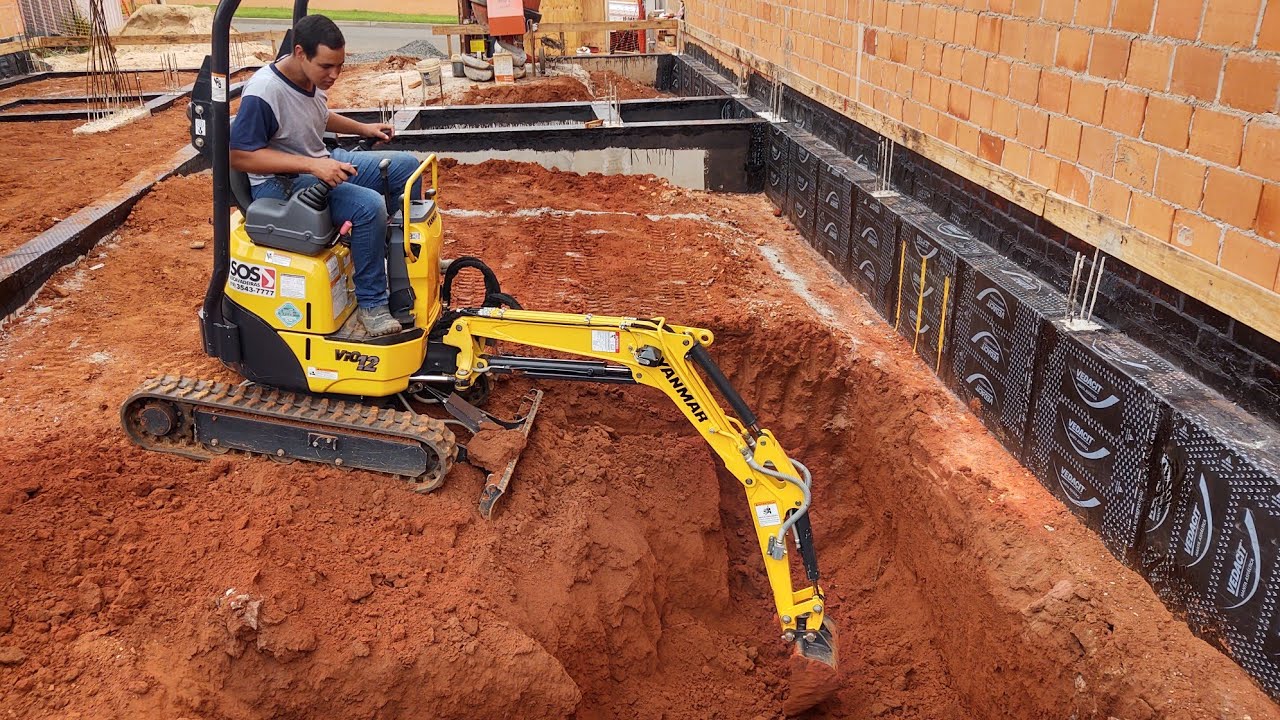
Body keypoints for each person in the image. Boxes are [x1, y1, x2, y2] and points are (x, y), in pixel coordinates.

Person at [229, 14, 419, 337]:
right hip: (280, 184)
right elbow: (240, 155)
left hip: (320, 161)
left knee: (406, 167)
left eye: (340, 66)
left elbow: (319, 114)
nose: (335, 75)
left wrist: (363, 128)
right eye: (327, 67)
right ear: (301, 53)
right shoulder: (264, 92)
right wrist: (313, 166)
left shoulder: (311, 79)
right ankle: (372, 304)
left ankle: (402, 260)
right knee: (368, 206)